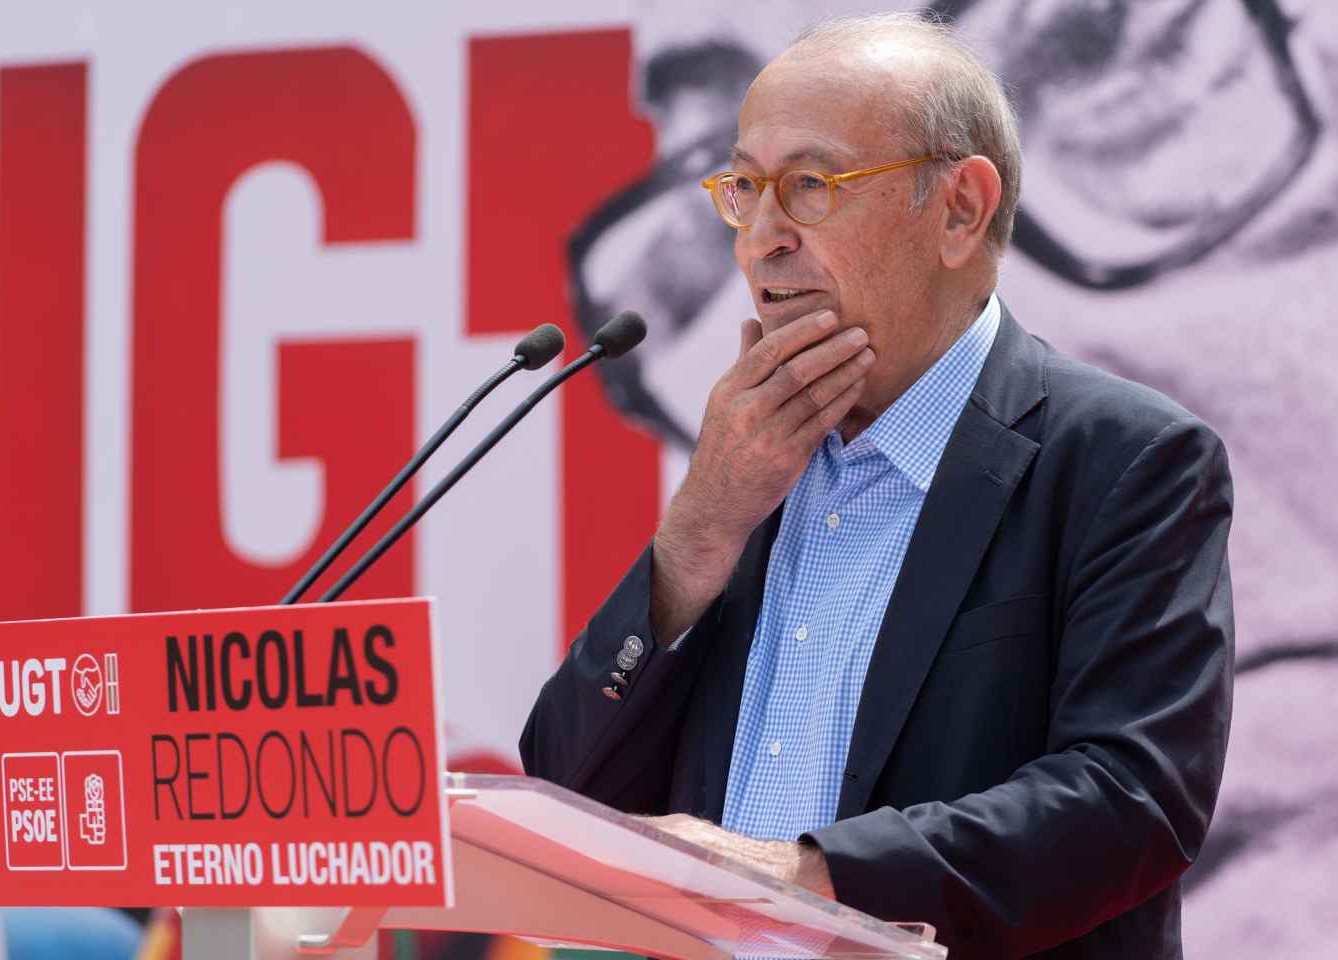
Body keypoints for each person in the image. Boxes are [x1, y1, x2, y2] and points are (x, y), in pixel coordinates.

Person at [522, 13, 1235, 960]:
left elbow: (1130, 799)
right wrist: (697, 531)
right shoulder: (744, 477)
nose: (760, 240)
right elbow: (565, 786)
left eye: (810, 187)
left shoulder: (1126, 460)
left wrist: (806, 878)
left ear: (959, 209)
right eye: (743, 189)